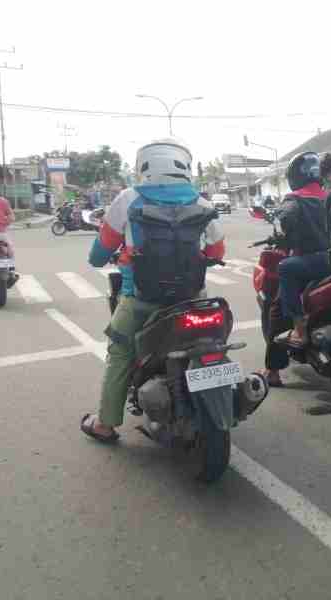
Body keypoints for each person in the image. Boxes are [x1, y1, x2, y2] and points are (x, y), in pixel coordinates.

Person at [80, 138, 225, 443]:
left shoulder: (128, 199)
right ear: (185, 165)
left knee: (120, 351)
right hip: (193, 298)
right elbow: (215, 252)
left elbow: (97, 255)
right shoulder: (203, 202)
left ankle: (105, 425)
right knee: (211, 340)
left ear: (142, 166)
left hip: (141, 299)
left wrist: (116, 254)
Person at [260, 152, 331, 388]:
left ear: (295, 176)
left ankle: (275, 366)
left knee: (278, 308)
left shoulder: (295, 199)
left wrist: (281, 230)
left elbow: (285, 221)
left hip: (309, 264)